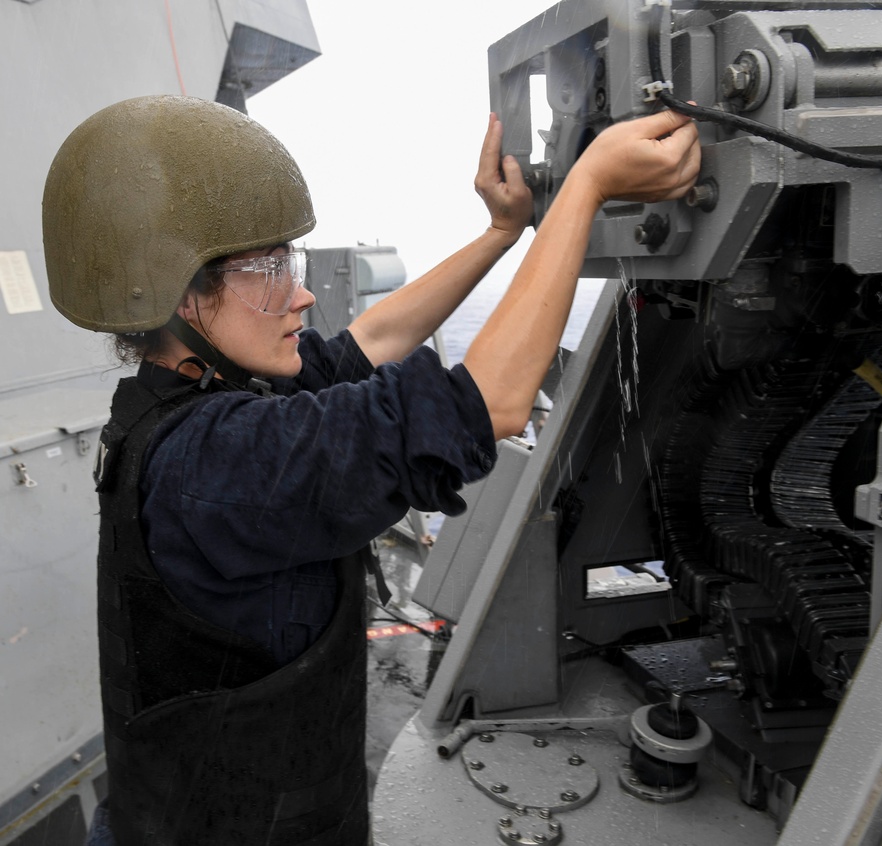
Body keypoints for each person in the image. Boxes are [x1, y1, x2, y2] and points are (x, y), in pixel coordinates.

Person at [43, 94, 699, 845]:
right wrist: (587, 185)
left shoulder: (196, 398)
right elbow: (490, 405)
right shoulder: (217, 463)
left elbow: (374, 337)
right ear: (179, 293)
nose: (302, 291)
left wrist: (502, 232)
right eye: (266, 269)